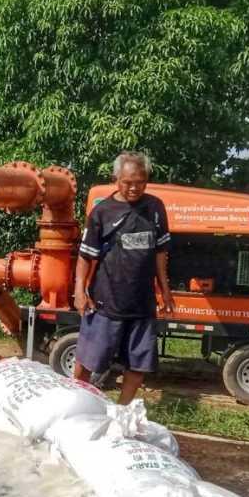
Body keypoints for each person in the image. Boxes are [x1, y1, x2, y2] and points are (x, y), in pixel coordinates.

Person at [73, 151, 175, 405]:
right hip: (106, 302)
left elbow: (160, 253)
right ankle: (78, 404)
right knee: (88, 361)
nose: (134, 188)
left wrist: (165, 290)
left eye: (140, 182)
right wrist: (79, 291)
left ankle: (122, 410)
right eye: (128, 182)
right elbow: (85, 256)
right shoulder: (102, 212)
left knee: (138, 364)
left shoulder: (155, 208)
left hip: (142, 304)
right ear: (116, 179)